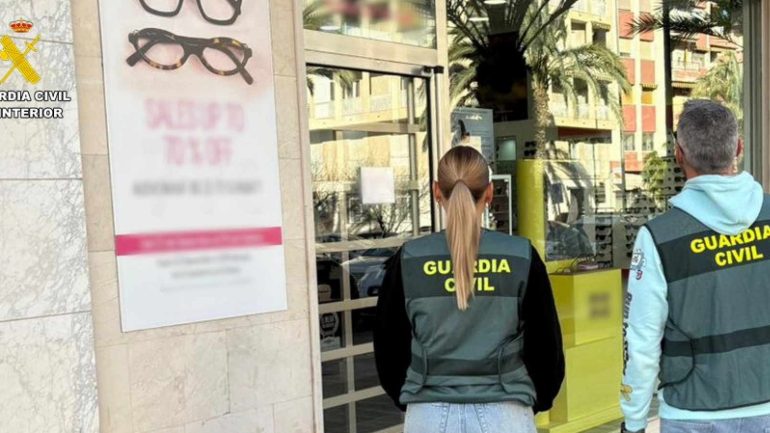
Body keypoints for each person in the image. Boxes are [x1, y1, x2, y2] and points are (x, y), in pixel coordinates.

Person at [374, 146, 564, 433]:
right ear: (489, 193)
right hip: (506, 412)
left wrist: (413, 397)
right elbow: (546, 345)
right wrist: (535, 400)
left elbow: (389, 347)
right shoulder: (521, 256)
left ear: (437, 192)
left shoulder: (409, 259)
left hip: (429, 414)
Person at [621, 100, 770, 433]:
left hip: (692, 414)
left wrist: (634, 420)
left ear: (679, 155)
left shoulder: (658, 237)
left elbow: (641, 338)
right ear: (739, 148)